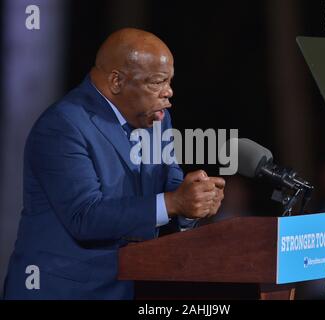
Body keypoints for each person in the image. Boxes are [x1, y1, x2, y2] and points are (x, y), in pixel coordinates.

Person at [3, 28, 225, 300]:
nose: (169, 92)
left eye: (169, 81)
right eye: (157, 82)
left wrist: (193, 203)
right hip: (64, 291)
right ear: (117, 81)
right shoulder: (63, 125)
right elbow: (84, 217)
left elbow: (171, 184)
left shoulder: (156, 119)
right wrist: (173, 203)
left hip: (129, 287)